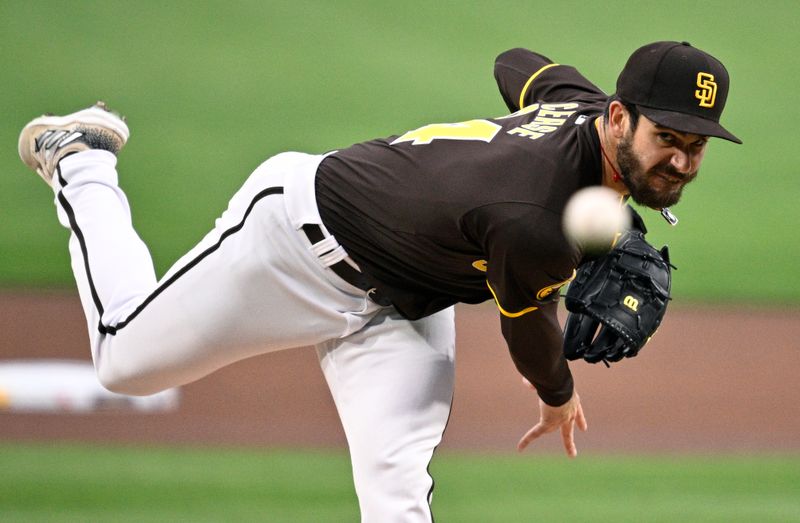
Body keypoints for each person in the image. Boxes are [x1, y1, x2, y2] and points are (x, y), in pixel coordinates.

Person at [17, 41, 740, 521]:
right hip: (294, 245)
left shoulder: (579, 110)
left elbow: (515, 61)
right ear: (620, 117)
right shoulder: (534, 218)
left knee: (397, 496)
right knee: (123, 359)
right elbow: (527, 335)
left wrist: (552, 117)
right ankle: (82, 156)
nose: (679, 160)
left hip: (403, 306)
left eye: (695, 144)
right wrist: (559, 395)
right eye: (666, 138)